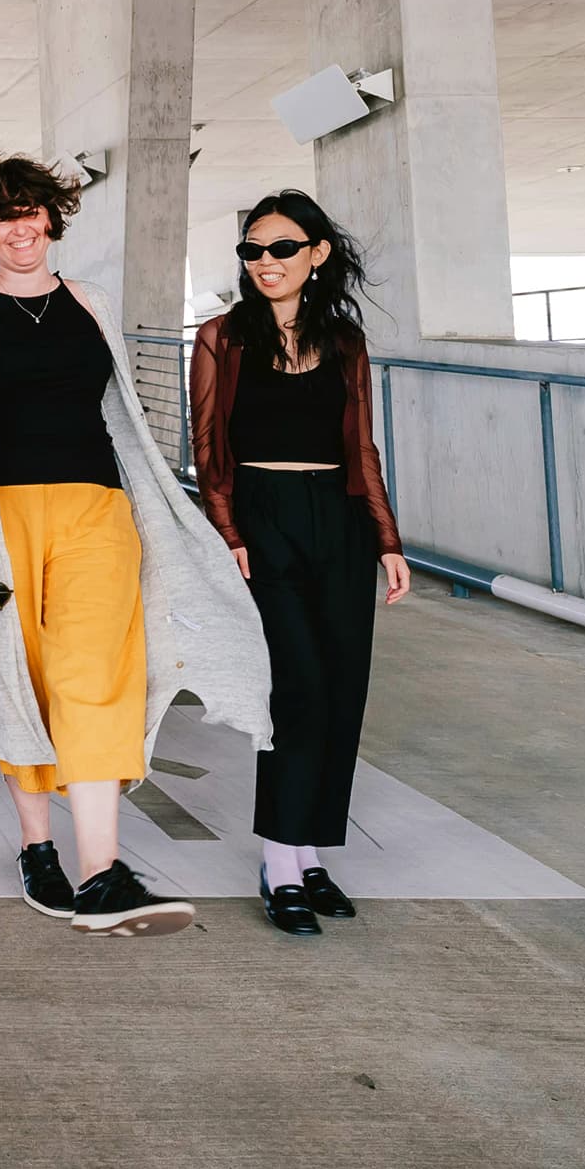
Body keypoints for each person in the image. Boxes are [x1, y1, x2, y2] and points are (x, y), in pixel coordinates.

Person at [0, 154, 270, 938]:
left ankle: (100, 872)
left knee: (97, 677)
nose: (20, 228)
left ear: (54, 219)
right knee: (20, 677)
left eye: (33, 212)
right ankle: (37, 850)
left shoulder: (90, 301)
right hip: (3, 514)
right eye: (4, 214)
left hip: (99, 509)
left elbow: (120, 415)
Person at [189, 189, 409, 936]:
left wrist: (386, 539)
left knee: (343, 689)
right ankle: (280, 858)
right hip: (263, 519)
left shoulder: (345, 342)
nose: (264, 262)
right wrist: (228, 532)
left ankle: (311, 851)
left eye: (281, 248)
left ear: (316, 254)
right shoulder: (222, 336)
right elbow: (209, 447)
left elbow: (361, 448)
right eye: (253, 250)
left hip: (338, 523)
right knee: (299, 689)